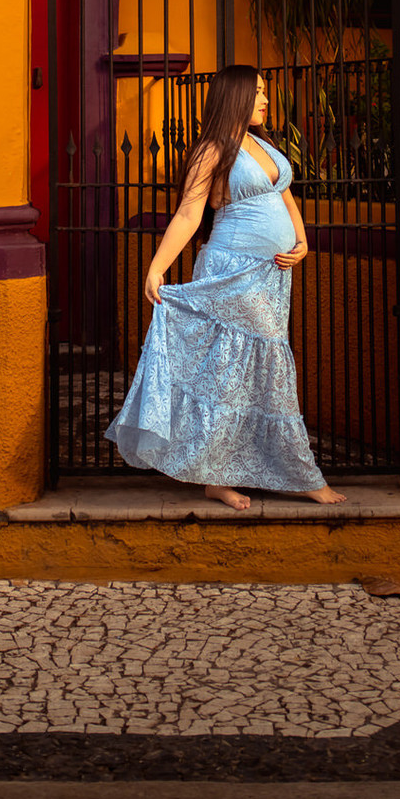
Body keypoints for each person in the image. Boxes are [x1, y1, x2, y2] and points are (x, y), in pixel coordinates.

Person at [105, 64, 347, 510]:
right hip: (231, 270)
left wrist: (303, 241)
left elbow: (286, 199)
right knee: (254, 367)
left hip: (273, 274)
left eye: (264, 92)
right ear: (234, 96)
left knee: (236, 374)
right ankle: (300, 474)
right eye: (257, 92)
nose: (265, 99)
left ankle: (219, 474)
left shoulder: (262, 144)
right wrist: (157, 268)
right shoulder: (212, 150)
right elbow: (188, 214)